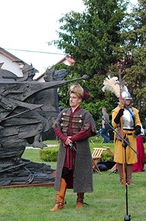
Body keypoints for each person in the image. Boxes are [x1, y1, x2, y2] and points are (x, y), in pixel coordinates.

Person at [50, 83, 96, 212]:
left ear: (80, 99)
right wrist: (64, 139)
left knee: (79, 172)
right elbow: (56, 126)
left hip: (80, 149)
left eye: (74, 97)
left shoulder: (85, 114)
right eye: (70, 97)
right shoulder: (63, 112)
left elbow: (87, 130)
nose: (71, 99)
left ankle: (80, 200)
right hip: (65, 149)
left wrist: (73, 139)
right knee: (63, 172)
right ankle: (59, 202)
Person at [111, 90, 143, 185]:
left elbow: (137, 122)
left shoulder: (134, 111)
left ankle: (129, 179)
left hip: (131, 135)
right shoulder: (117, 110)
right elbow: (114, 124)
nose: (128, 101)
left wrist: (138, 128)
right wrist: (118, 116)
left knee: (130, 158)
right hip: (121, 135)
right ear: (122, 100)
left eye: (129, 100)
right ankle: (122, 179)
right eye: (126, 100)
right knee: (120, 158)